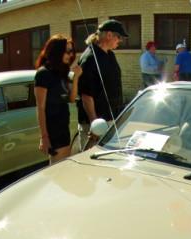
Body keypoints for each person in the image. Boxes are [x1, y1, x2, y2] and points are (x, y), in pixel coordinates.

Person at [76, 19, 127, 149]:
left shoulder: (110, 54)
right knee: (91, 162)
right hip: (97, 124)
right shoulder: (90, 58)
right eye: (118, 36)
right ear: (109, 35)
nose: (120, 40)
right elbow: (86, 95)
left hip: (111, 118)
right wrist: (95, 125)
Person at [34, 34, 81, 164]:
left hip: (63, 127)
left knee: (63, 167)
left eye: (72, 51)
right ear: (57, 51)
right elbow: (40, 108)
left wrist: (76, 78)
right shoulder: (43, 73)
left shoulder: (61, 72)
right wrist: (44, 137)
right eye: (67, 51)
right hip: (53, 130)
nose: (70, 55)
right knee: (58, 168)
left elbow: (71, 99)